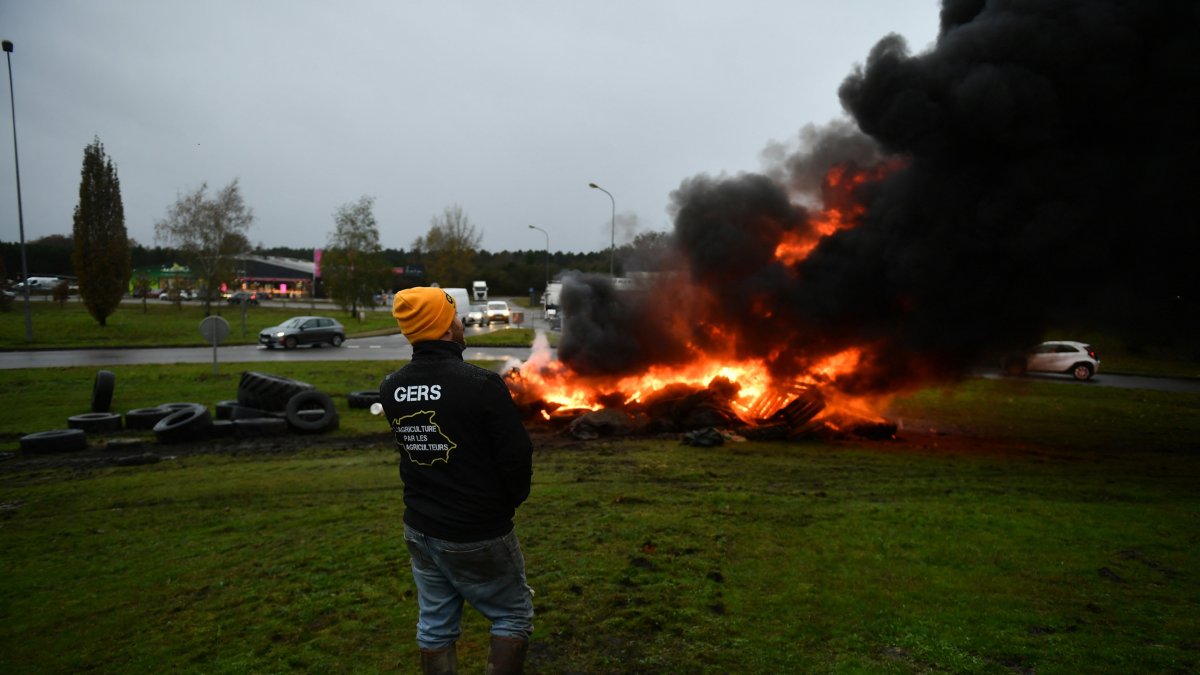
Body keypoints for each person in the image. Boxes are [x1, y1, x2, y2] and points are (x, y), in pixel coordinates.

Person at [380, 287, 534, 675]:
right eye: (455, 317)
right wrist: (506, 505)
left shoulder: (392, 386)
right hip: (476, 528)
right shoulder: (481, 384)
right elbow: (516, 456)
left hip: (420, 527)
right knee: (513, 615)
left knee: (434, 625)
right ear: (445, 327)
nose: (461, 322)